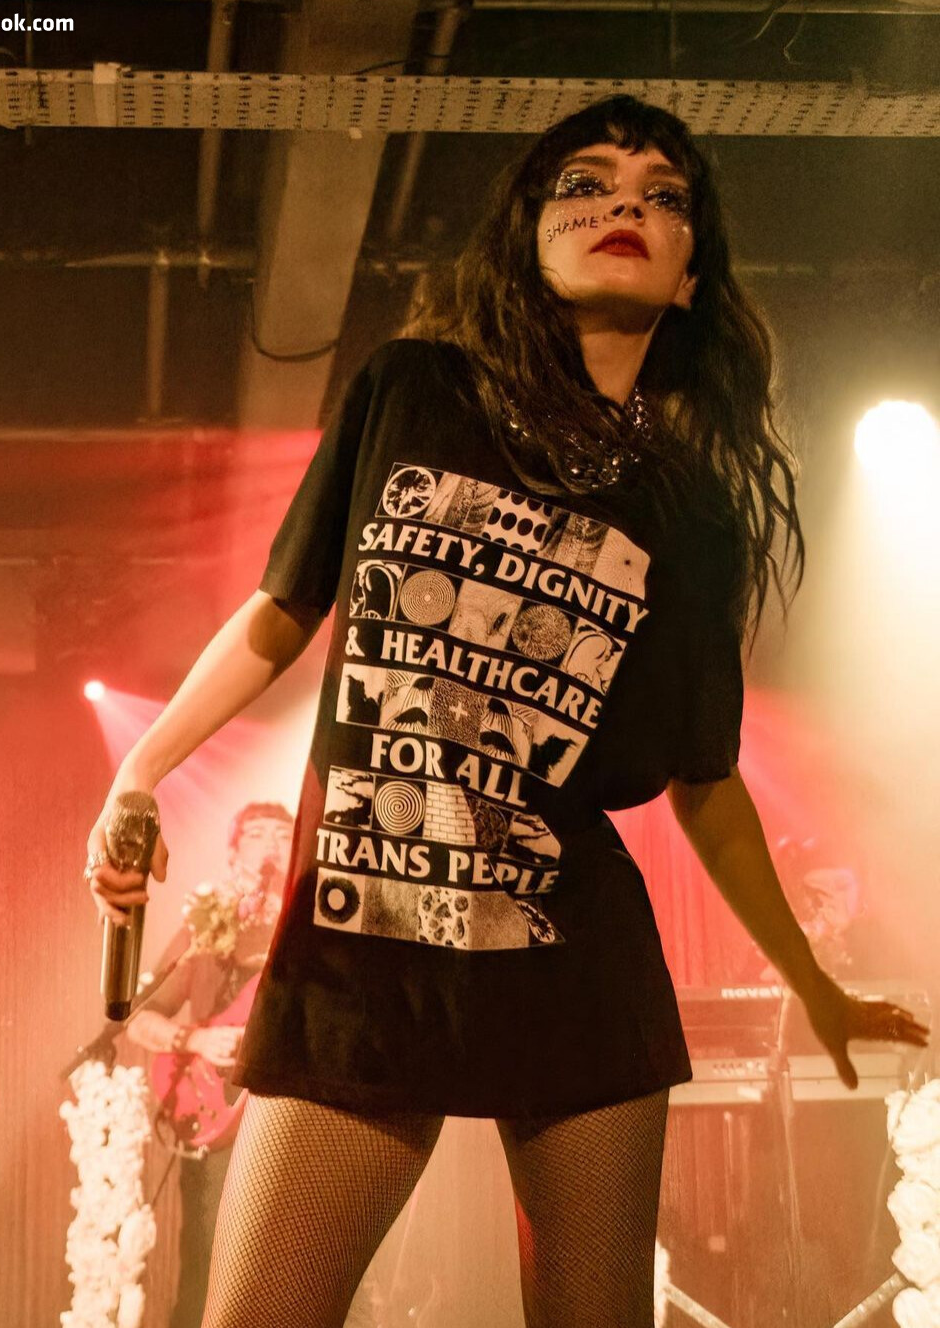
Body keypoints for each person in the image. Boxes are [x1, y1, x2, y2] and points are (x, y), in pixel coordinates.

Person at [84, 95, 930, 1328]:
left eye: (663, 195)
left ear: (691, 276)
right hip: (363, 949)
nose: (624, 201)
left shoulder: (690, 512)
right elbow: (280, 610)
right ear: (526, 236)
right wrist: (140, 771)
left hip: (573, 964)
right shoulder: (412, 389)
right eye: (585, 183)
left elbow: (705, 779)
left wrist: (815, 984)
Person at [122, 803, 293, 1328]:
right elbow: (138, 1019)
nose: (271, 845)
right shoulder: (206, 927)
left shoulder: (314, 931)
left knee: (297, 1273)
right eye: (257, 835)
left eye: (283, 835)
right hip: (216, 1116)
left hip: (290, 1115)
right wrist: (196, 1038)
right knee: (207, 1266)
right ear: (233, 853)